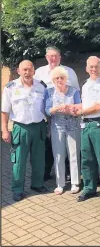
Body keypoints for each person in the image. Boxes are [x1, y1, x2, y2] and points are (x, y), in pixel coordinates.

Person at [1, 60, 48, 201]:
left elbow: (47, 107)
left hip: (39, 126)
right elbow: (4, 111)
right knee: (19, 161)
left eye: (30, 69)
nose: (27, 72)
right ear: (19, 71)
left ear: (34, 71)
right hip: (20, 128)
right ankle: (17, 189)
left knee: (39, 159)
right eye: (24, 70)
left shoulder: (41, 86)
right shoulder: (10, 87)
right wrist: (4, 130)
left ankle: (37, 184)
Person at [73, 56, 100, 206]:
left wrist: (82, 112)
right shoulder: (85, 84)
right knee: (87, 159)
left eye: (96, 66)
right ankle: (89, 188)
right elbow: (86, 104)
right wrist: (73, 108)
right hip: (86, 125)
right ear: (86, 68)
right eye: (90, 67)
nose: (93, 69)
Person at [34, 46, 80, 182]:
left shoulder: (69, 72)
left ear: (60, 57)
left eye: (55, 56)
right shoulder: (39, 72)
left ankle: (68, 174)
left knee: (68, 147)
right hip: (46, 116)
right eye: (50, 56)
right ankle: (46, 172)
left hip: (68, 117)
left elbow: (76, 91)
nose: (53, 58)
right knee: (49, 147)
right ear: (46, 57)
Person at [44, 66, 81, 195]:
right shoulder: (49, 92)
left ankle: (75, 182)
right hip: (57, 128)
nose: (59, 80)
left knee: (74, 155)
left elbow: (79, 107)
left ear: (66, 79)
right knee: (58, 155)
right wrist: (57, 108)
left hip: (73, 127)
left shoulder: (74, 91)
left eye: (62, 77)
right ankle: (60, 184)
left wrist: (70, 108)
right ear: (53, 80)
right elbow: (47, 110)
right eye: (57, 78)